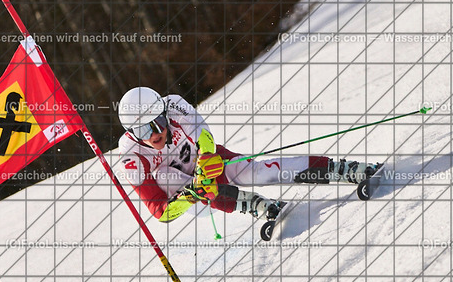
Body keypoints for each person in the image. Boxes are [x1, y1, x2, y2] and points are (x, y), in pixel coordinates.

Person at [117, 86, 380, 223]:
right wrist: (191, 194)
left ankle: (341, 169)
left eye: (158, 122)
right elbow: (160, 211)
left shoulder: (173, 104)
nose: (155, 133)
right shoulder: (130, 155)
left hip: (208, 164)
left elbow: (203, 134)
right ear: (132, 133)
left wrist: (206, 157)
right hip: (193, 199)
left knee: (257, 171)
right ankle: (251, 203)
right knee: (165, 175)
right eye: (143, 130)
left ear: (164, 112)